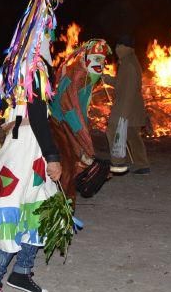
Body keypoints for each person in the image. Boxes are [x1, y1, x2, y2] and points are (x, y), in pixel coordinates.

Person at [0, 0, 63, 292]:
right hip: (22, 147)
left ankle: (22, 272)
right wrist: (53, 154)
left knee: (39, 208)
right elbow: (38, 114)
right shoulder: (31, 66)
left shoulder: (23, 62)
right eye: (48, 33)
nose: (50, 39)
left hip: (27, 147)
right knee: (13, 212)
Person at [49, 38, 111, 200]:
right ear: (86, 58)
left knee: (79, 158)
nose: (99, 64)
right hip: (61, 123)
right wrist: (80, 132)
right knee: (68, 164)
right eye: (96, 59)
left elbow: (78, 106)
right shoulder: (79, 76)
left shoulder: (86, 74)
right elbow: (67, 105)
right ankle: (62, 202)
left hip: (69, 122)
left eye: (102, 60)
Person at [103, 34, 150, 175]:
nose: (116, 49)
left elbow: (128, 90)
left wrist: (122, 115)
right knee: (133, 136)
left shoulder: (128, 64)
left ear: (124, 47)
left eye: (119, 46)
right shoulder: (128, 60)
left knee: (113, 131)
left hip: (126, 107)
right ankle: (142, 165)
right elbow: (121, 83)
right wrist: (108, 79)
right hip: (132, 108)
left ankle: (118, 164)